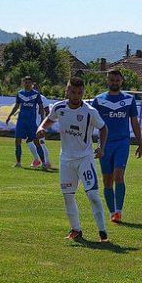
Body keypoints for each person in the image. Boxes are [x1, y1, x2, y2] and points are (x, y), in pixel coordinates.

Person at [36, 77, 110, 242]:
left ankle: (103, 233)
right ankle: (76, 230)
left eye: (79, 92)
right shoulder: (59, 107)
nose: (76, 95)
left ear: (83, 93)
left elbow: (103, 128)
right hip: (66, 160)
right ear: (67, 91)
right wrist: (41, 128)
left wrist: (101, 147)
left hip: (85, 158)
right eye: (72, 92)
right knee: (68, 196)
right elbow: (49, 120)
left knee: (93, 195)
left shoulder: (90, 112)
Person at [91, 68, 142, 224]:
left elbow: (134, 122)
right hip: (105, 144)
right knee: (107, 181)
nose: (114, 83)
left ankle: (118, 212)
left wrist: (140, 143)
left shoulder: (129, 100)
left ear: (122, 81)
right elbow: (90, 122)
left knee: (118, 176)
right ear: (107, 81)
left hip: (122, 143)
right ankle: (112, 211)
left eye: (117, 80)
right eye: (112, 80)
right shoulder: (98, 100)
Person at [6, 76, 47, 168]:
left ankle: (44, 162)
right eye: (26, 82)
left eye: (29, 82)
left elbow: (41, 106)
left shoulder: (36, 94)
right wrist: (10, 115)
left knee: (36, 142)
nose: (27, 84)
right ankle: (18, 162)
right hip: (21, 122)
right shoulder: (20, 93)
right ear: (23, 83)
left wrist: (42, 117)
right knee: (17, 141)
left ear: (32, 84)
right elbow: (16, 105)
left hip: (31, 123)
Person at [34, 83, 52, 169]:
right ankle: (37, 160)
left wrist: (44, 124)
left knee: (41, 142)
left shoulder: (42, 98)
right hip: (33, 124)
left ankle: (47, 162)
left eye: (36, 88)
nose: (34, 90)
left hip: (40, 125)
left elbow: (47, 112)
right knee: (32, 141)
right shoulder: (31, 98)